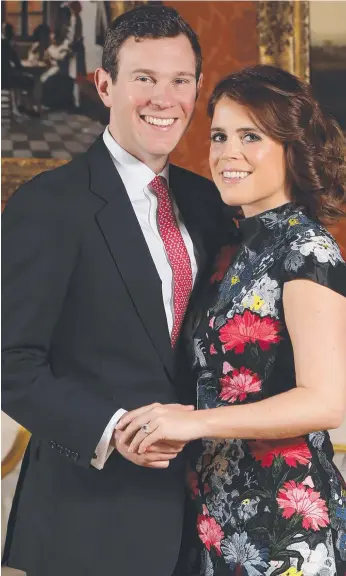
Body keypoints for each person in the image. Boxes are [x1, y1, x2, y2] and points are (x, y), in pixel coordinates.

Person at [1, 6, 232, 576]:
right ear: (105, 85)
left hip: (205, 519)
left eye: (180, 80)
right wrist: (112, 430)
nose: (164, 98)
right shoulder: (48, 204)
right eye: (143, 79)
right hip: (89, 522)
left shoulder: (212, 206)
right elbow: (10, 362)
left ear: (197, 89)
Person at [117, 65, 346, 575]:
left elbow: (326, 401)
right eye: (219, 136)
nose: (226, 154)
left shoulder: (308, 250)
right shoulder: (226, 251)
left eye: (251, 136)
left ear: (292, 148)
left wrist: (194, 422)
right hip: (212, 513)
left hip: (282, 518)